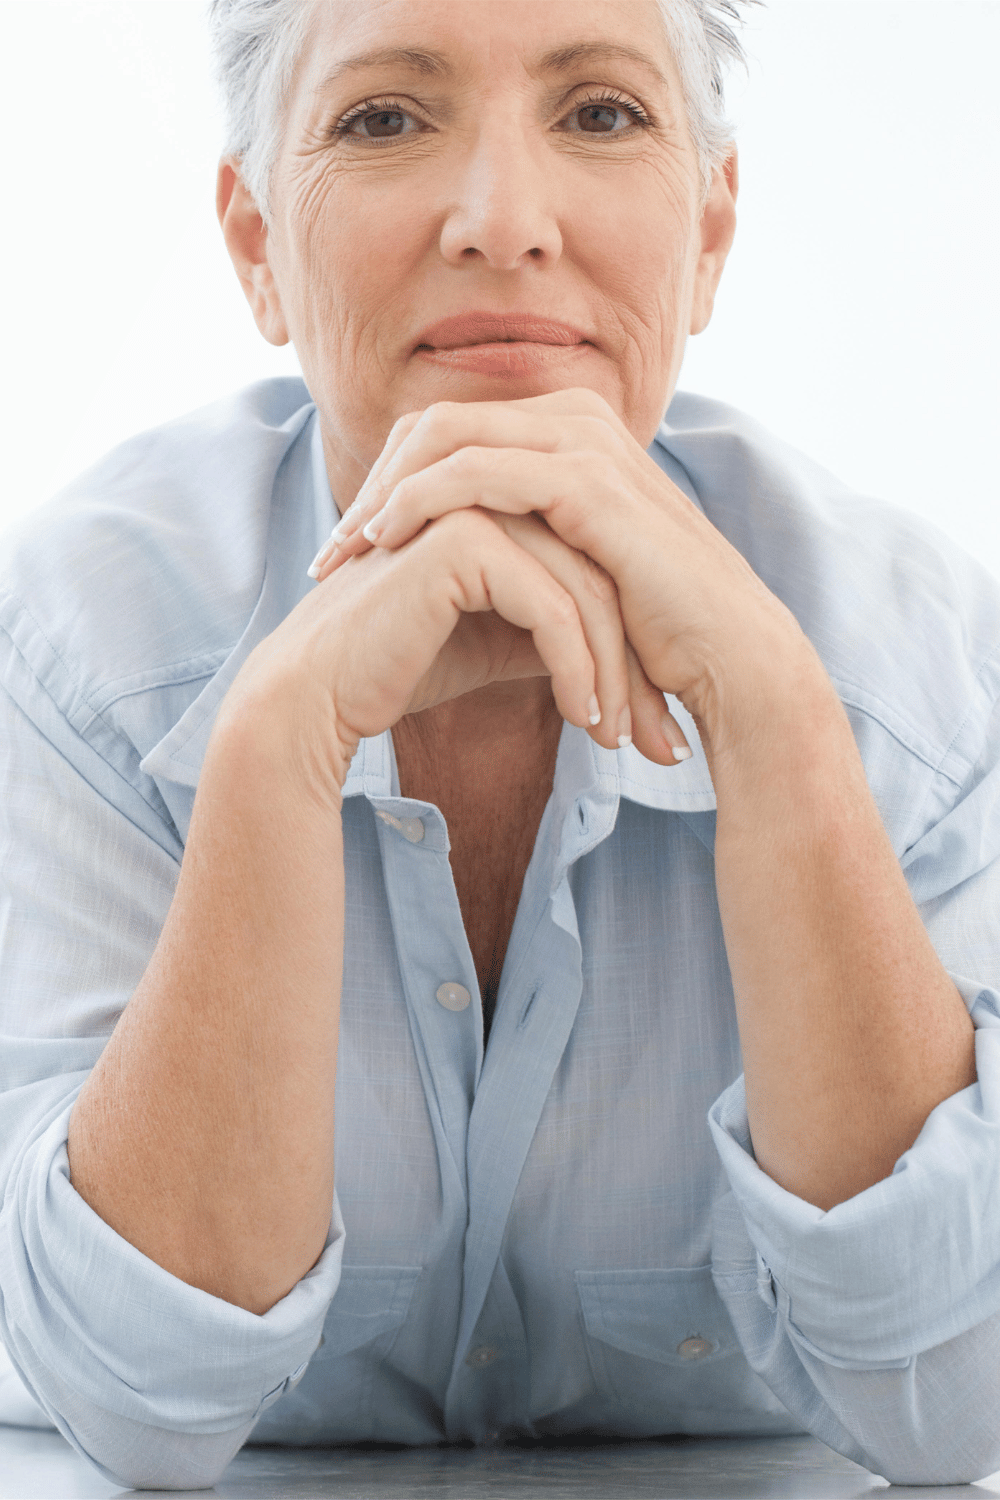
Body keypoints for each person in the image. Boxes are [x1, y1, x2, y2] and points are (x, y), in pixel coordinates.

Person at [1, 0, 998, 1489]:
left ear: (711, 232)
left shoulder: (915, 671)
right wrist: (278, 747)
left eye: (601, 113)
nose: (502, 220)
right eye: (386, 119)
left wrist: (784, 735)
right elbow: (142, 1406)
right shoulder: (82, 653)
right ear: (258, 243)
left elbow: (954, 1404)